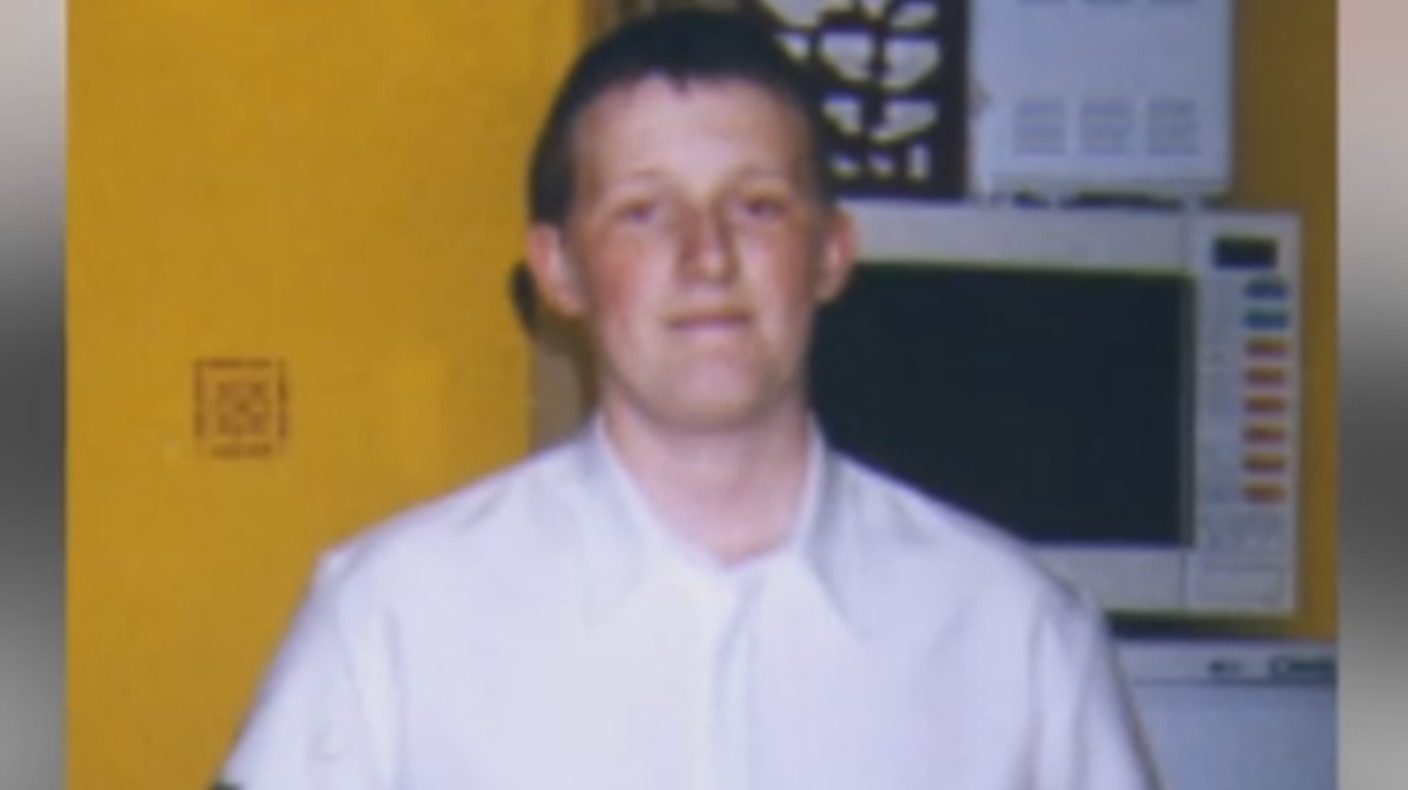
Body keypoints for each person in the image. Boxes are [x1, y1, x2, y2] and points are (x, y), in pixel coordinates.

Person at [217, 8, 1160, 789]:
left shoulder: (1018, 640)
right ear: (559, 269)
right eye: (643, 211)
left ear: (832, 251)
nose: (707, 258)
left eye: (757, 206)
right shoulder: (391, 621)